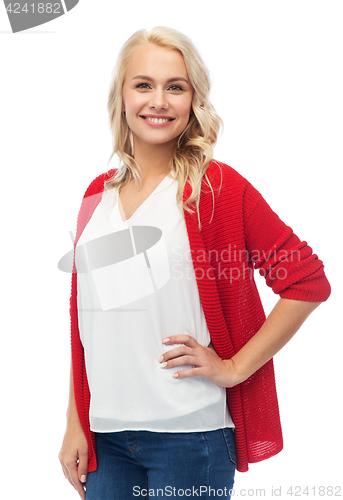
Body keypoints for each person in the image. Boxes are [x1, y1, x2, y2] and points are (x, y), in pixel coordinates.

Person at [58, 26, 331, 499]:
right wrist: (74, 422)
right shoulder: (94, 197)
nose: (158, 101)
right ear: (121, 97)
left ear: (193, 101)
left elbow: (307, 281)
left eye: (175, 87)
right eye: (143, 85)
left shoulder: (217, 190)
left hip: (190, 437)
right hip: (106, 438)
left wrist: (234, 367)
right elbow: (88, 322)